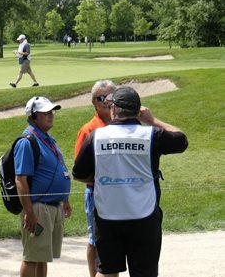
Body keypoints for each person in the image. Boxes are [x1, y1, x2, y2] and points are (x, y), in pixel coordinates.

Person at [73, 86, 188, 277]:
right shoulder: (152, 135)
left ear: (114, 109)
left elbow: (78, 173)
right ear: (138, 111)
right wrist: (152, 121)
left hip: (107, 215)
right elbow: (181, 140)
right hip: (144, 216)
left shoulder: (96, 137)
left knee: (106, 271)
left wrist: (104, 179)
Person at [14, 96, 72, 277]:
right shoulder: (27, 142)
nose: (51, 115)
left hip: (53, 206)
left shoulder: (48, 139)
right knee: (32, 257)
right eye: (46, 112)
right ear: (33, 116)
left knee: (43, 257)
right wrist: (30, 213)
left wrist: (65, 199)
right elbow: (20, 180)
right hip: (38, 208)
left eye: (52, 111)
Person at [73, 80, 116, 277]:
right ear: (94, 102)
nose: (107, 102)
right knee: (95, 238)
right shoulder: (88, 130)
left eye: (110, 97)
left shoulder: (122, 125)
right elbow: (79, 170)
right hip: (96, 191)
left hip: (118, 191)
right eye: (101, 98)